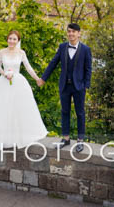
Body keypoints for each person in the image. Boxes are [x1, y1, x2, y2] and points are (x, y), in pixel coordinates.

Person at [0, 30, 48, 149]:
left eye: (14, 39)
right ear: (7, 39)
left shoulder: (21, 53)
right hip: (4, 82)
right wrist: (5, 73)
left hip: (18, 83)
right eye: (10, 38)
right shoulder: (2, 52)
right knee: (3, 107)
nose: (12, 41)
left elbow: (28, 68)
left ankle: (18, 134)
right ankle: (2, 134)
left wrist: (37, 79)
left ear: (18, 41)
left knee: (19, 108)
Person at [37, 22, 91, 152]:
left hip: (79, 87)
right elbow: (53, 63)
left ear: (79, 33)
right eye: (69, 31)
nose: (71, 34)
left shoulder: (85, 49)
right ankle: (66, 138)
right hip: (64, 86)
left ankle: (80, 140)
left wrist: (86, 85)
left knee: (80, 113)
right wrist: (43, 78)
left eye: (73, 31)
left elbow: (88, 68)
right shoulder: (62, 47)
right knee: (65, 112)